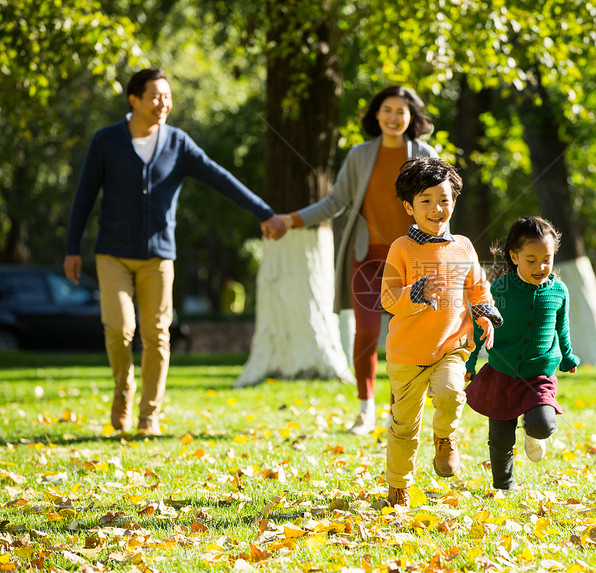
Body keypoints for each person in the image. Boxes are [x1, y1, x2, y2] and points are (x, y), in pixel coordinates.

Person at [64, 68, 287, 436]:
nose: (163, 103)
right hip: (113, 252)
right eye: (154, 96)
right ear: (133, 100)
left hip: (158, 254)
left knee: (157, 334)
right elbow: (84, 197)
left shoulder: (178, 143)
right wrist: (72, 248)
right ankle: (123, 389)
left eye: (167, 96)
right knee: (120, 329)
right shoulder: (106, 141)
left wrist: (265, 213)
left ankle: (148, 415)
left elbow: (220, 178)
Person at [278, 86, 437, 436]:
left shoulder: (424, 154)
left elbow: (440, 207)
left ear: (412, 117)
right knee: (366, 331)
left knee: (404, 336)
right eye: (387, 110)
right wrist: (292, 219)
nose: (393, 117)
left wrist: (441, 253)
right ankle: (365, 411)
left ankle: (400, 411)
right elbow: (334, 201)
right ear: (376, 114)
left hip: (410, 259)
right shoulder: (360, 155)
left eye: (401, 111)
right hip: (367, 257)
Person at [380, 156, 503, 507]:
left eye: (444, 200)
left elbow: (478, 288)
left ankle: (444, 437)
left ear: (454, 201)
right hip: (406, 355)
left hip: (450, 346)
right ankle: (398, 486)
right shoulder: (401, 249)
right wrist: (416, 292)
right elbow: (389, 298)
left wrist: (484, 315)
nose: (437, 208)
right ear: (409, 207)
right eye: (426, 201)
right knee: (404, 426)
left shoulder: (463, 246)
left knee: (451, 393)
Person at [465, 216, 580, 491]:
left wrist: (567, 356)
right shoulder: (500, 290)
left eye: (547, 259)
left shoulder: (559, 292)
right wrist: (469, 361)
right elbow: (479, 327)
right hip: (502, 373)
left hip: (538, 374)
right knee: (501, 437)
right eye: (531, 259)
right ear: (515, 257)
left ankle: (533, 432)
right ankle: (504, 485)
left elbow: (561, 330)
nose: (540, 266)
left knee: (543, 424)